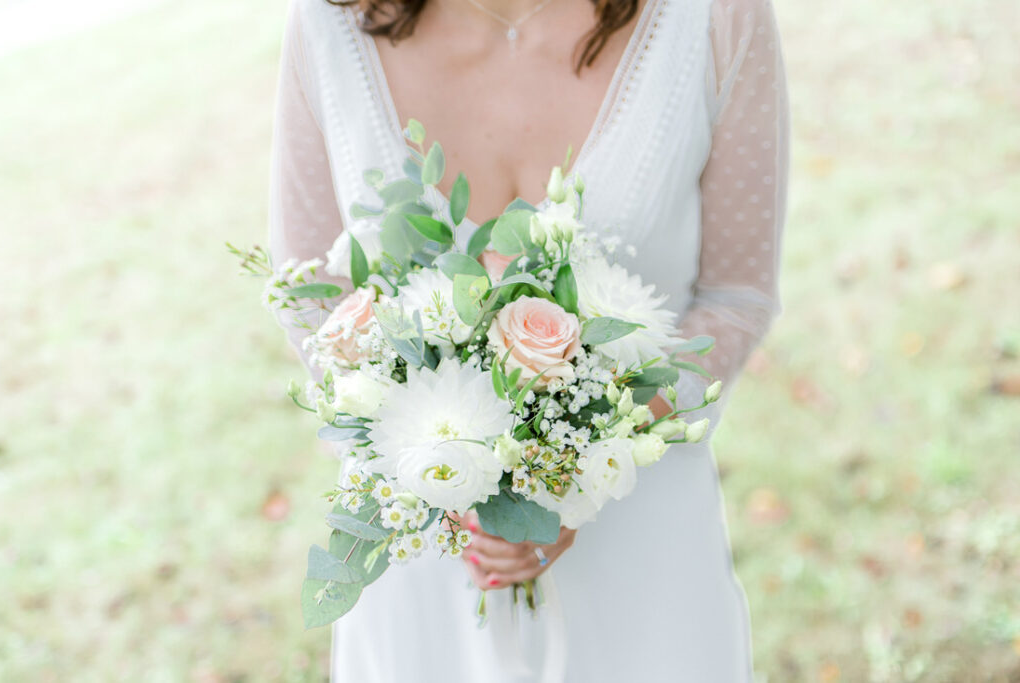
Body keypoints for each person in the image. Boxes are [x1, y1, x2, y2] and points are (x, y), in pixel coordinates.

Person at [268, 0, 788, 677]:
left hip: (641, 547)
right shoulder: (328, 25)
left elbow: (734, 297)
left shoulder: (714, 17)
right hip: (418, 561)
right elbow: (311, 298)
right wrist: (442, 484)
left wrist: (572, 471)